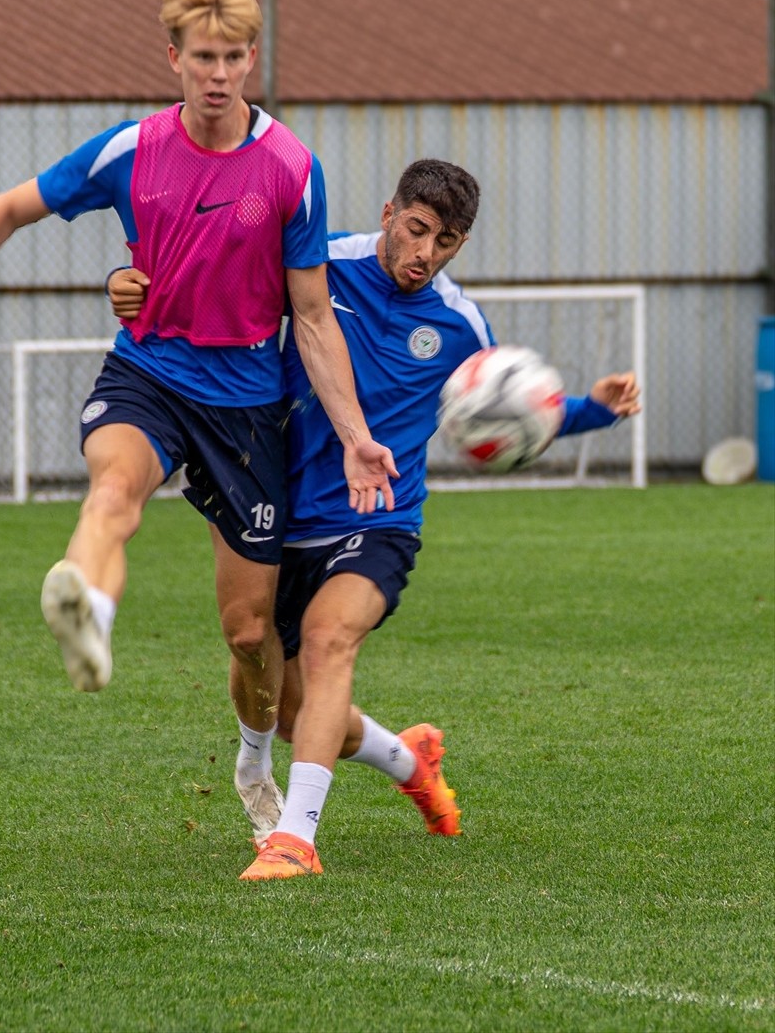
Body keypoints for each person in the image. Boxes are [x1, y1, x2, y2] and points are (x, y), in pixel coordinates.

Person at [0, 0, 396, 838]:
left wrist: (354, 435)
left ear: (250, 60)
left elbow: (311, 315)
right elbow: (14, 208)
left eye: (234, 57)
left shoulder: (289, 169)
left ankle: (252, 756)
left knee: (248, 634)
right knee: (113, 492)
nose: (219, 74)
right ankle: (90, 609)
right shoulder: (129, 150)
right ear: (174, 58)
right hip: (149, 376)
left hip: (246, 405)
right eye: (203, 57)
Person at [108, 158, 641, 879]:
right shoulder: (317, 265)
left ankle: (296, 839)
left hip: (380, 519)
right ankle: (406, 757)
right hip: (271, 511)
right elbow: (206, 290)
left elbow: (508, 408)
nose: (425, 254)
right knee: (269, 677)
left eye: (446, 241)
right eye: (417, 229)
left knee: (330, 643)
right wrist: (129, 286)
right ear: (390, 211)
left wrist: (595, 410)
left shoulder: (458, 324)